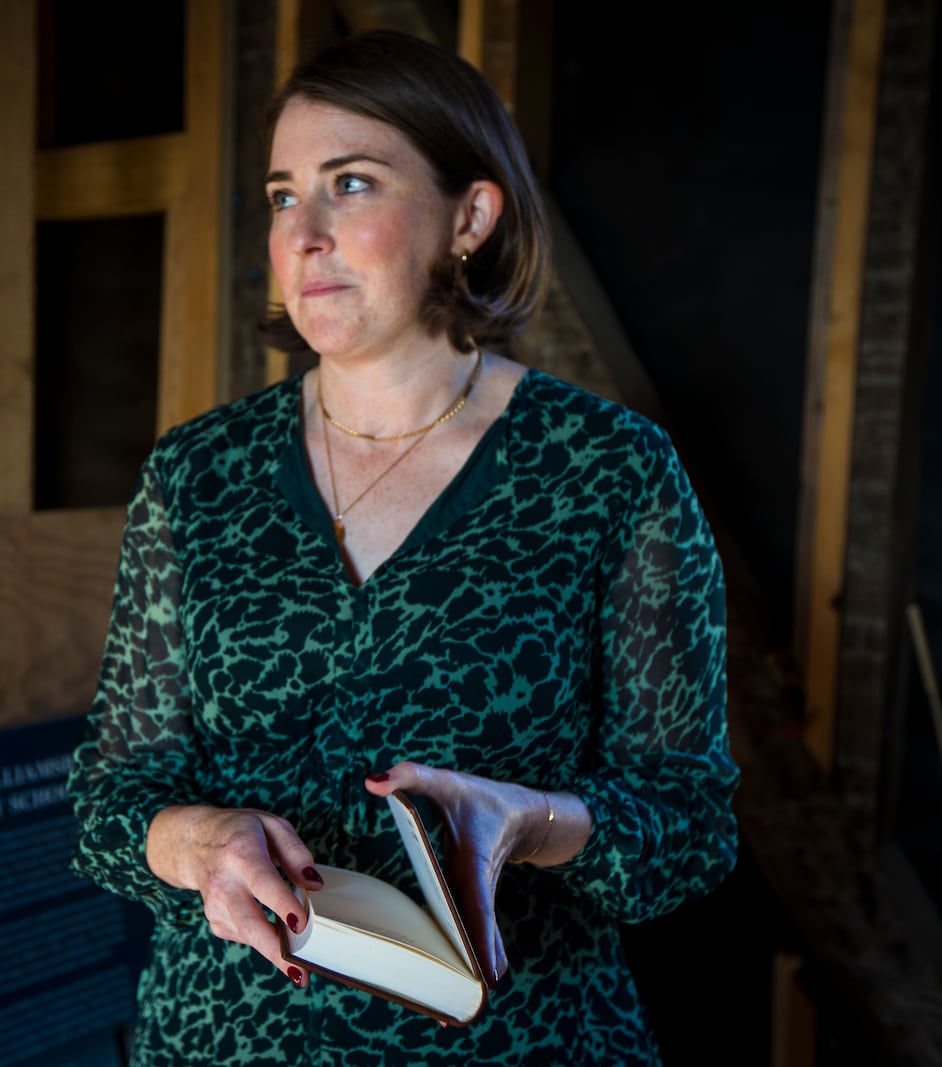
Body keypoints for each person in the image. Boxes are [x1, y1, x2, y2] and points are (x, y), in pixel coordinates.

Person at [68, 29, 737, 1066]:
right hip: (222, 1038)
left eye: (352, 183)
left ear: (467, 217)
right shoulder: (196, 475)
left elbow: (689, 824)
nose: (305, 232)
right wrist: (197, 838)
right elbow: (111, 796)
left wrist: (534, 818)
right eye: (285, 195)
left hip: (521, 1041)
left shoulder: (609, 469)